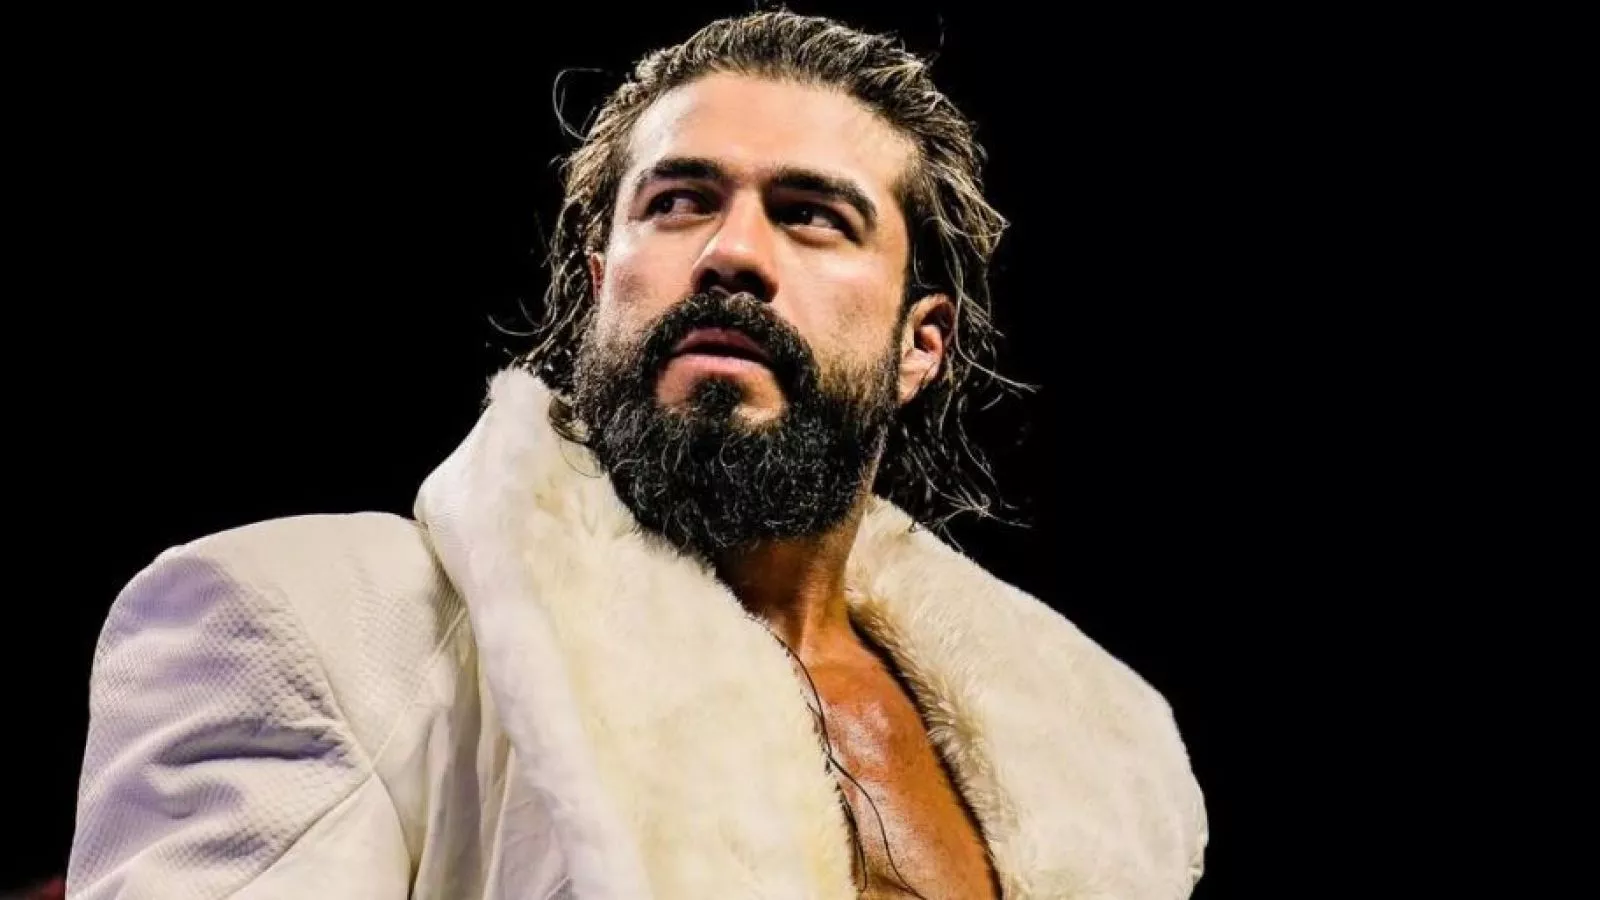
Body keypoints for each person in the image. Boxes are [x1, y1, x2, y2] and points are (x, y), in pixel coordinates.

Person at [66, 11, 1206, 899]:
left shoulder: (1104, 761)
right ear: (600, 280)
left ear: (921, 343)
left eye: (812, 214)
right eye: (678, 201)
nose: (730, 252)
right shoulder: (312, 627)